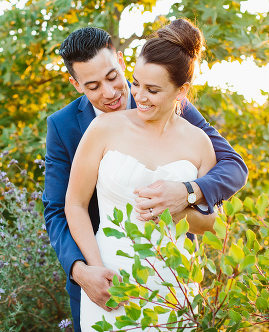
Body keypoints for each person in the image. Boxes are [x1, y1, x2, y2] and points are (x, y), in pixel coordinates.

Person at [44, 25, 247, 331]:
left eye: (113, 77)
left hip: (173, 281)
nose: (113, 93)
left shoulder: (184, 118)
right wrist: (84, 270)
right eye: (94, 86)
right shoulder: (73, 128)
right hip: (107, 277)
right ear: (76, 85)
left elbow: (231, 171)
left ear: (121, 61)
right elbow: (62, 207)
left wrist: (187, 194)